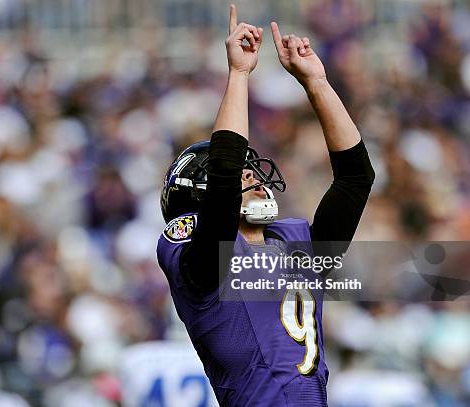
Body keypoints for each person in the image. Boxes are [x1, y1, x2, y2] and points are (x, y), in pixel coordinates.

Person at [157, 4, 375, 406]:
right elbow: (222, 190)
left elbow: (356, 179)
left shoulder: (295, 244)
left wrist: (317, 84)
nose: (252, 176)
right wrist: (239, 75)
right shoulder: (195, 254)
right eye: (239, 171)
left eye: (250, 168)